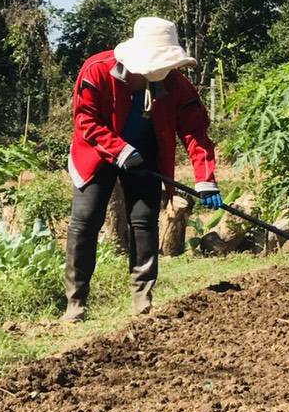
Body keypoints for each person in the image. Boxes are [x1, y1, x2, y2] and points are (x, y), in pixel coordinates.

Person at [64, 17, 221, 322]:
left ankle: (142, 299)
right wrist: (119, 149)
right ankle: (76, 302)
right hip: (97, 152)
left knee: (144, 221)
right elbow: (86, 122)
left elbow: (195, 130)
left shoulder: (176, 83)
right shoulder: (97, 70)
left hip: (146, 154)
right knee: (85, 222)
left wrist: (206, 180)